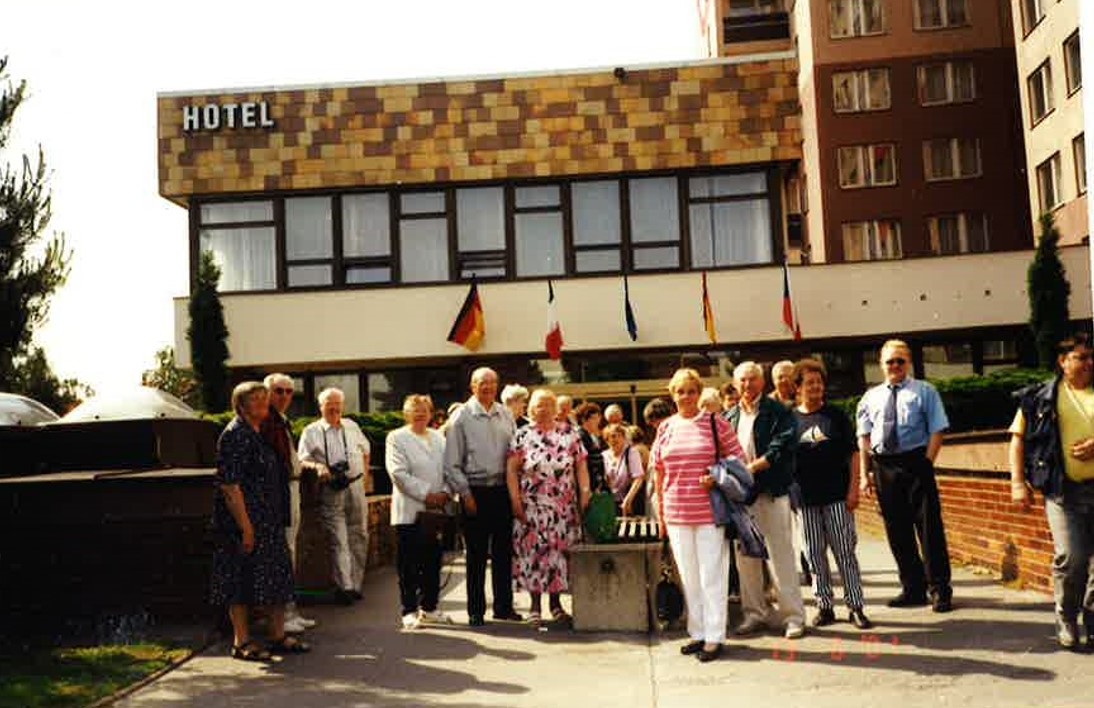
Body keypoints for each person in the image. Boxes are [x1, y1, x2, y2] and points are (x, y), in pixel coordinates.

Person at [652, 368, 745, 663]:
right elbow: (659, 472)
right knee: (689, 577)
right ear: (672, 395)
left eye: (691, 391)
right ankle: (698, 632)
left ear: (699, 393)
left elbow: (739, 459)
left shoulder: (715, 423)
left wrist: (717, 477)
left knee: (711, 576)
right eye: (680, 391)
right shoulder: (666, 427)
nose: (686, 396)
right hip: (676, 512)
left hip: (709, 512)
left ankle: (715, 636)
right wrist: (661, 514)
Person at [210, 382, 308, 661]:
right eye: (255, 399)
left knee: (276, 578)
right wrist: (245, 527)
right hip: (243, 523)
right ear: (240, 405)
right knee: (240, 581)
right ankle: (241, 642)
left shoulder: (259, 432)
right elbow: (230, 485)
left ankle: (277, 635)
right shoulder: (235, 434)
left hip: (268, 520)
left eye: (265, 398)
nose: (263, 403)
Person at [1009, 333, 1094, 650]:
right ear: (1063, 361)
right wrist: (1018, 483)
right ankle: (1066, 616)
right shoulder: (1040, 397)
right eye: (1081, 357)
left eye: (1092, 357)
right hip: (1063, 492)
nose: (1089, 363)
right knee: (1072, 557)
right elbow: (1017, 440)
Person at [857, 339, 953, 613]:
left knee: (929, 529)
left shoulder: (925, 391)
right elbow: (863, 438)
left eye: (901, 360)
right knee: (897, 531)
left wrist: (927, 463)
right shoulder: (870, 397)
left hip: (916, 463)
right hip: (883, 466)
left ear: (909, 363)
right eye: (890, 361)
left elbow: (937, 429)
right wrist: (865, 474)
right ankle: (913, 588)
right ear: (881, 365)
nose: (895, 365)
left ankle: (939, 589)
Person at [726, 361, 805, 639]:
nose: (747, 385)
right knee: (746, 559)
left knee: (779, 556)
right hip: (741, 498)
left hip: (770, 492)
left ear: (762, 382)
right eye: (742, 380)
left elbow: (781, 446)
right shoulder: (729, 415)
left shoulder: (778, 411)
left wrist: (752, 468)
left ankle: (793, 616)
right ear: (735, 385)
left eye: (752, 379)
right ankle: (754, 614)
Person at [791, 359, 872, 630]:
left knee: (845, 552)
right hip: (805, 501)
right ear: (798, 388)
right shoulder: (790, 420)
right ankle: (824, 606)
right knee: (814, 555)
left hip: (837, 497)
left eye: (819, 382)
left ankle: (855, 606)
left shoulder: (836, 416)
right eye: (809, 383)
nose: (815, 387)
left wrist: (854, 489)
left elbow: (853, 455)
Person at [507, 389, 591, 627]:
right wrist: (515, 501)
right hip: (532, 508)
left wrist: (585, 493)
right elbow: (511, 470)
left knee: (559, 556)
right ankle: (534, 607)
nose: (543, 409)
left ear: (556, 408)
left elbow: (581, 466)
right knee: (534, 555)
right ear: (530, 409)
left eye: (548, 404)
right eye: (538, 405)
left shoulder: (570, 433)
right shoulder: (522, 435)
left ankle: (556, 605)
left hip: (563, 508)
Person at [444, 367, 521, 626]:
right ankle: (475, 611)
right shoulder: (461, 417)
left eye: (491, 382)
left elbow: (515, 452)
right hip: (474, 490)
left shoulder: (506, 414)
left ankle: (503, 607)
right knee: (476, 555)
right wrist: (465, 494)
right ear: (472, 386)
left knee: (503, 553)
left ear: (497, 386)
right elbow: (451, 463)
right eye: (481, 383)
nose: (487, 387)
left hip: (502, 489)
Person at [298, 387, 372, 606]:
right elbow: (301, 459)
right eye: (329, 405)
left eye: (338, 404)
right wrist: (319, 467)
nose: (334, 409)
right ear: (320, 407)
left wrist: (365, 477)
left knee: (359, 534)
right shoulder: (311, 431)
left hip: (356, 486)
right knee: (338, 538)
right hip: (331, 489)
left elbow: (366, 450)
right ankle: (344, 587)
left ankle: (356, 584)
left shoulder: (352, 426)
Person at [386, 394, 452, 630]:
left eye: (424, 410)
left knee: (433, 562)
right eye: (414, 410)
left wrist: (445, 492)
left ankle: (430, 608)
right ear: (406, 414)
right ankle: (409, 610)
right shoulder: (396, 438)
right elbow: (398, 473)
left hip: (436, 512)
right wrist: (427, 495)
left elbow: (450, 468)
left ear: (431, 413)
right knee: (409, 565)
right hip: (410, 511)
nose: (420, 414)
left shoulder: (440, 438)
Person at [260, 374, 317, 633]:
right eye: (278, 391)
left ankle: (290, 611)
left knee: (290, 550)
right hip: (280, 492)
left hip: (291, 487)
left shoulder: (281, 421)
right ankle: (283, 617)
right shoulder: (267, 421)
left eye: (289, 392)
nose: (284, 396)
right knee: (283, 552)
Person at [602, 422, 646, 516]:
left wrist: (628, 500)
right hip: (610, 502)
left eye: (619, 436)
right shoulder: (604, 456)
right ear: (606, 440)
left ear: (624, 437)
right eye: (612, 436)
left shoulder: (631, 452)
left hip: (630, 501)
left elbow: (638, 478)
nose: (615, 439)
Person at [643, 398, 675, 521]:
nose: (653, 425)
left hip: (665, 492)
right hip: (654, 490)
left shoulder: (672, 433)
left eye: (654, 421)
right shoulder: (660, 434)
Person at [575, 402, 607, 492]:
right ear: (583, 420)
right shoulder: (580, 436)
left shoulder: (593, 436)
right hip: (587, 484)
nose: (598, 421)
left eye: (598, 417)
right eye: (594, 418)